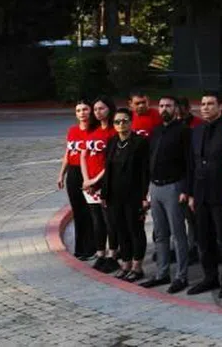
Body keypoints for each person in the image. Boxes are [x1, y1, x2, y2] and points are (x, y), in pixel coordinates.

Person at [187, 91, 222, 298]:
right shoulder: (196, 130)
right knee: (203, 239)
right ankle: (210, 277)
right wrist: (191, 194)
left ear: (220, 106)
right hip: (200, 193)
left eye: (210, 104)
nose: (206, 107)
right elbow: (192, 163)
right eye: (203, 104)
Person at [142, 95, 192, 293]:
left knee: (178, 234)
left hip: (174, 187)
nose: (164, 109)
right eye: (161, 105)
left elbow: (189, 162)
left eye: (168, 106)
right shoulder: (155, 131)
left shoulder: (184, 131)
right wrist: (147, 189)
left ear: (175, 108)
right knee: (160, 234)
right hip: (155, 187)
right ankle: (162, 273)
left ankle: (181, 276)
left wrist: (186, 189)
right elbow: (149, 160)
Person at [101, 107, 150, 282]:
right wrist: (104, 194)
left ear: (131, 122)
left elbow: (145, 171)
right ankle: (126, 264)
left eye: (124, 121)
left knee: (135, 230)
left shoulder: (140, 142)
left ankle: (137, 267)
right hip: (114, 196)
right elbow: (108, 170)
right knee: (120, 230)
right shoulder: (112, 142)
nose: (121, 124)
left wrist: (144, 196)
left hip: (134, 195)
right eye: (117, 121)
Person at [81, 98, 118, 273]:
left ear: (109, 109)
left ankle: (113, 255)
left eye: (101, 108)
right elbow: (83, 156)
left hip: (106, 182)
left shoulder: (114, 131)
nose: (97, 112)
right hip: (89, 184)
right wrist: (86, 179)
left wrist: (95, 180)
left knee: (109, 220)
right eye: (95, 109)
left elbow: (112, 161)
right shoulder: (92, 130)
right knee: (96, 221)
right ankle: (100, 254)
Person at [59, 102, 96, 262]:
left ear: (91, 111)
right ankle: (80, 248)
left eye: (85, 109)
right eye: (78, 110)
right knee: (78, 211)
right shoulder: (72, 130)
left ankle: (92, 248)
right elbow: (68, 153)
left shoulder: (95, 131)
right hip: (73, 173)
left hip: (88, 172)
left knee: (90, 211)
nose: (82, 113)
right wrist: (61, 174)